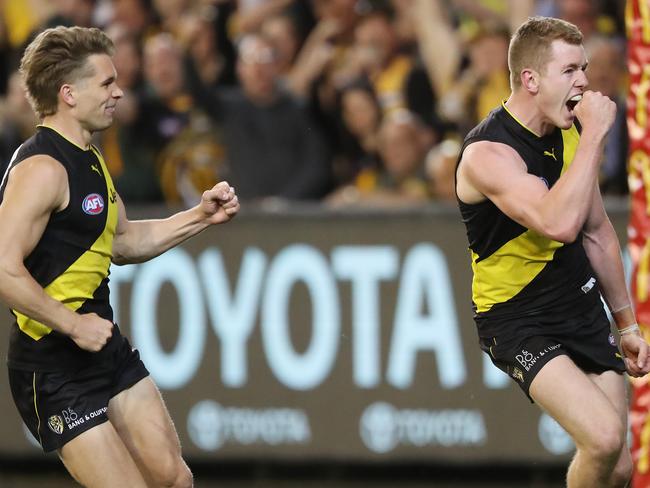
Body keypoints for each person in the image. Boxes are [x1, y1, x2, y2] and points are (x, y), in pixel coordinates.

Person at [0, 26, 239, 487]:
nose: (119, 92)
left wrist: (199, 216)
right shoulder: (42, 168)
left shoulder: (88, 156)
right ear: (68, 94)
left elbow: (124, 241)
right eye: (107, 83)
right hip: (52, 366)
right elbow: (3, 267)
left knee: (174, 480)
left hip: (103, 348)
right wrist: (71, 325)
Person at [455, 17, 650, 487]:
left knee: (619, 467)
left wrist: (627, 324)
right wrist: (596, 138)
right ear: (531, 79)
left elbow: (597, 231)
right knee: (602, 440)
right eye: (570, 71)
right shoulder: (488, 154)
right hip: (517, 317)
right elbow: (559, 224)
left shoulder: (569, 130)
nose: (584, 80)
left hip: (578, 305)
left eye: (583, 68)